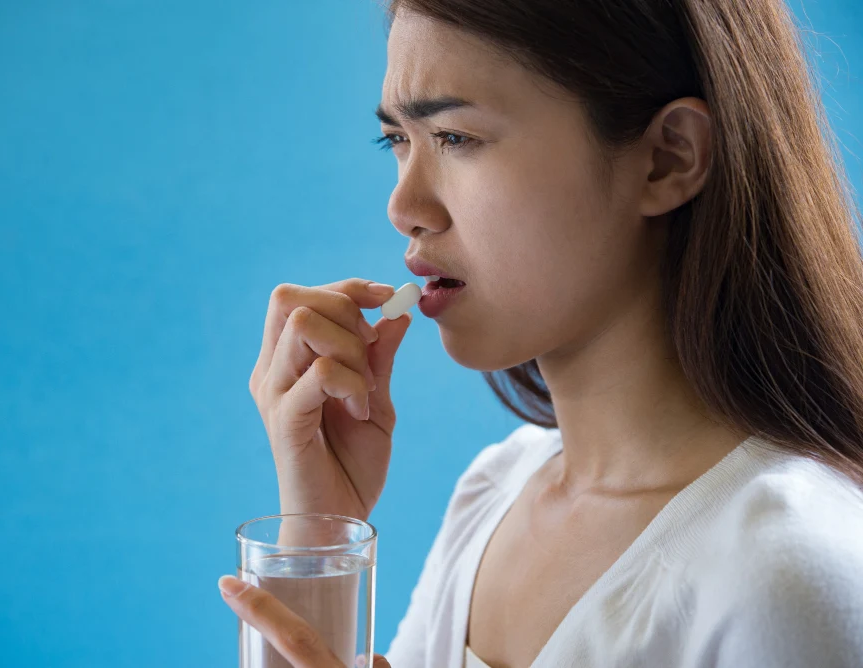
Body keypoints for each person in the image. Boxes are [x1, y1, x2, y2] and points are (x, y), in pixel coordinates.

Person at [220, 0, 863, 665]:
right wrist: (323, 534)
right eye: (398, 141)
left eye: (455, 138)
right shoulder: (494, 493)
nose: (403, 207)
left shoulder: (791, 574)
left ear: (668, 158)